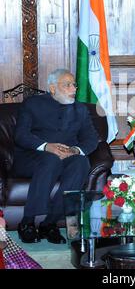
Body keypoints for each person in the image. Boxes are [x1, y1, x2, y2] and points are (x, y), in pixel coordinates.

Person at [13, 69, 99, 244]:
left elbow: (91, 138)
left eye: (74, 84)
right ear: (53, 88)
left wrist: (75, 150)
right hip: (32, 156)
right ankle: (27, 222)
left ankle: (49, 223)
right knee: (51, 159)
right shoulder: (32, 104)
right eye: (67, 85)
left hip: (67, 156)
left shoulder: (80, 109)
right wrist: (46, 147)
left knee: (82, 163)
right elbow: (21, 135)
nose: (73, 88)